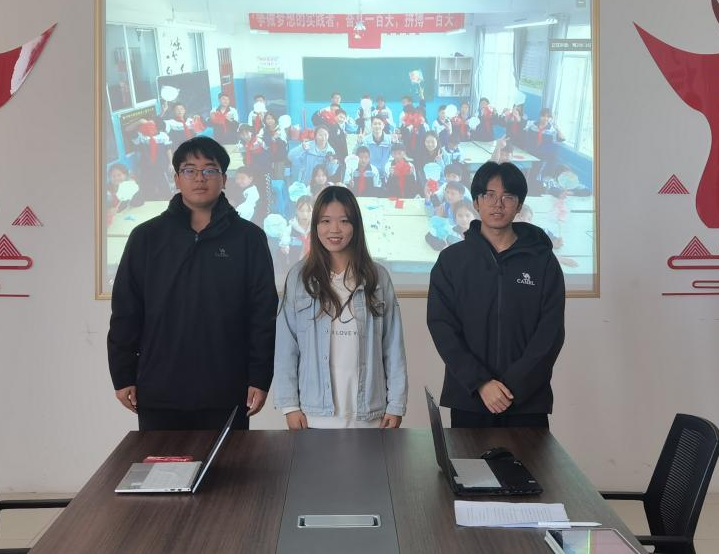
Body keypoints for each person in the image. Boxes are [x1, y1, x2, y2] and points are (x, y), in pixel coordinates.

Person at [108, 136, 278, 431]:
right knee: (161, 462)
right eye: (189, 170)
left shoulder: (248, 238)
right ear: (176, 178)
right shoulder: (146, 237)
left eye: (210, 170)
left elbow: (263, 314)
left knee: (229, 463)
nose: (200, 178)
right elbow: (126, 311)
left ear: (224, 179)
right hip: (159, 388)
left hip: (227, 388)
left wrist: (260, 377)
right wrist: (123, 375)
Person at [427, 161, 565, 429]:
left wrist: (511, 387)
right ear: (476, 202)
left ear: (519, 205)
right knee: (469, 461)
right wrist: (481, 383)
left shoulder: (542, 261)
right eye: (489, 195)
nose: (497, 204)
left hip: (526, 403)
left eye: (508, 197)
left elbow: (551, 332)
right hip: (470, 400)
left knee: (529, 461)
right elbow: (442, 326)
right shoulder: (452, 261)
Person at [272, 186, 408, 429]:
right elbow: (286, 345)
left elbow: (393, 345)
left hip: (369, 416)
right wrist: (290, 406)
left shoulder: (377, 277)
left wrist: (396, 404)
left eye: (344, 221)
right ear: (315, 226)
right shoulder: (299, 277)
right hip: (314, 415)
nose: (334, 229)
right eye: (325, 221)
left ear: (355, 226)